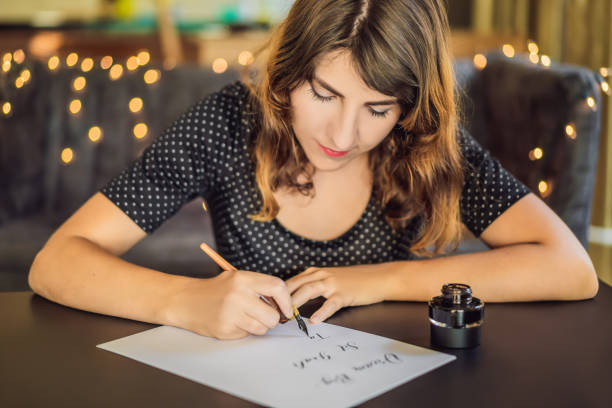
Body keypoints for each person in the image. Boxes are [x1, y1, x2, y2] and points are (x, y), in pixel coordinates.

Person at [28, 0, 598, 340]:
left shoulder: (422, 142)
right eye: (324, 95)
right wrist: (184, 302)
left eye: (377, 109)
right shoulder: (227, 124)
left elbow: (572, 269)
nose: (344, 136)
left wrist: (376, 281)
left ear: (408, 107)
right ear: (286, 74)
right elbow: (56, 262)